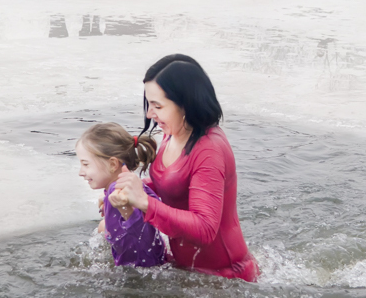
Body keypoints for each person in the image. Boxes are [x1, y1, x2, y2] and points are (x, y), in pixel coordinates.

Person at [111, 55, 260, 282]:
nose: (150, 114)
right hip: (190, 272)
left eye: (158, 106)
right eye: (149, 104)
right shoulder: (173, 133)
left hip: (225, 279)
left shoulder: (208, 150)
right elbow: (174, 185)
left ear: (185, 104)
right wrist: (127, 191)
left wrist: (144, 202)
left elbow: (205, 228)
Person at [76, 123, 166, 268]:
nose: (81, 172)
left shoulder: (120, 192)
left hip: (142, 273)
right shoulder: (124, 185)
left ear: (112, 164)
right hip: (156, 263)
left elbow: (143, 235)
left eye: (86, 164)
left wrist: (125, 209)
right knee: (102, 225)